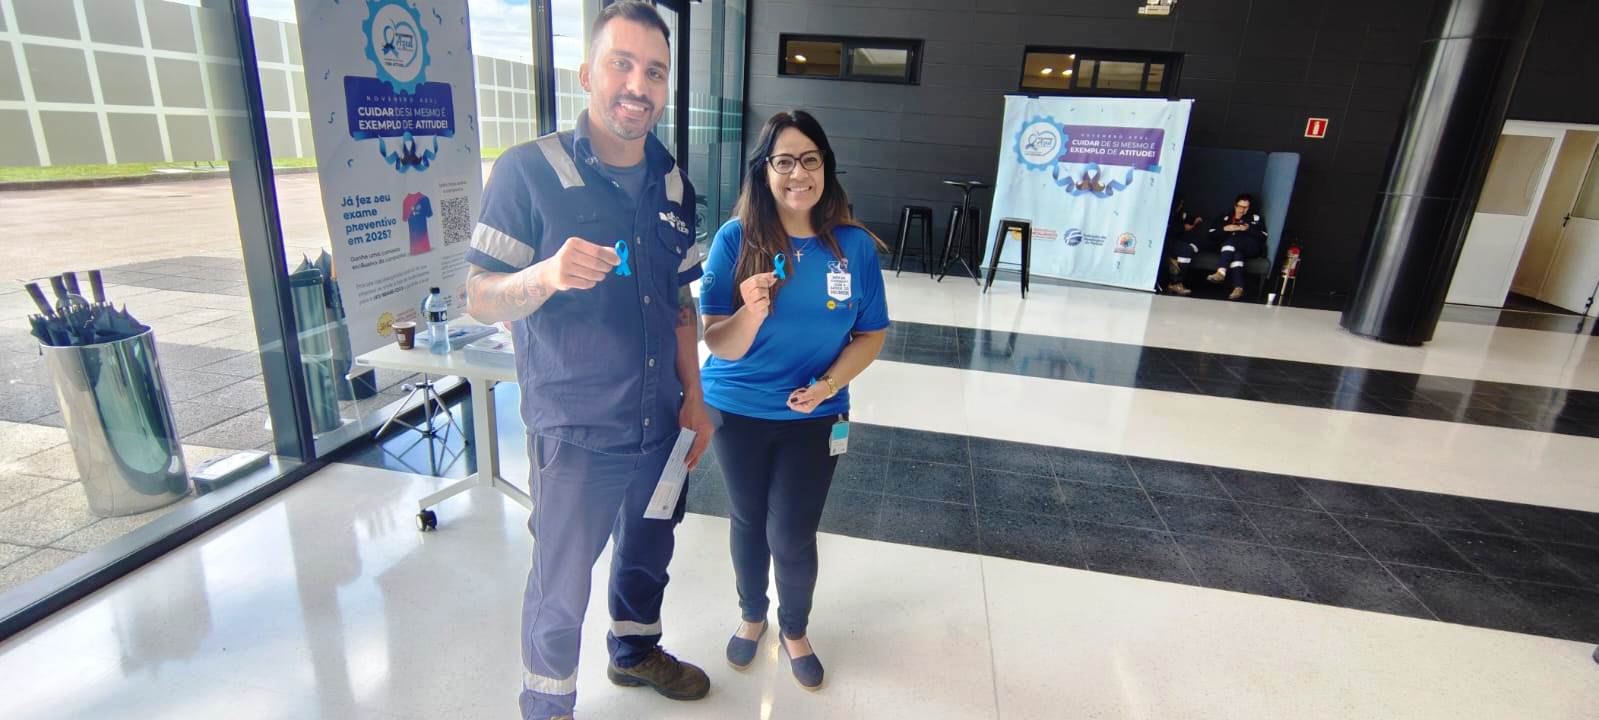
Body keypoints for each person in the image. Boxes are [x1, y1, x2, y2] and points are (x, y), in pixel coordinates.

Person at [462, 4, 714, 719]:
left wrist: (695, 396)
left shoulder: (674, 185)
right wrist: (544, 275)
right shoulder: (527, 171)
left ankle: (634, 651)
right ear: (586, 74)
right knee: (561, 584)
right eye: (620, 64)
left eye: (654, 72)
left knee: (648, 549)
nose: (638, 84)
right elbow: (478, 296)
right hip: (575, 431)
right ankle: (547, 706)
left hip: (661, 425)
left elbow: (680, 302)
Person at [698, 110, 890, 691]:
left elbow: (870, 334)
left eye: (810, 159)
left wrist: (827, 386)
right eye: (784, 161)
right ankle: (752, 615)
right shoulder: (736, 240)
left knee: (792, 532)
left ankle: (795, 628)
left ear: (826, 167)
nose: (798, 174)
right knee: (748, 518)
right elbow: (717, 342)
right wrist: (750, 312)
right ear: (764, 171)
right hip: (737, 409)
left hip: (817, 414)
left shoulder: (853, 247)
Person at [1170, 193, 1268, 300]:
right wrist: (1225, 229)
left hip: (1248, 247)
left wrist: (1248, 229)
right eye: (1240, 206)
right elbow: (1211, 234)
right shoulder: (1225, 216)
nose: (1242, 210)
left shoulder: (1255, 218)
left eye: (1245, 207)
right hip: (1228, 249)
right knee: (1237, 254)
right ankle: (1239, 287)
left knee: (1231, 241)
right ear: (1235, 205)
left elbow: (1263, 236)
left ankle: (1221, 272)